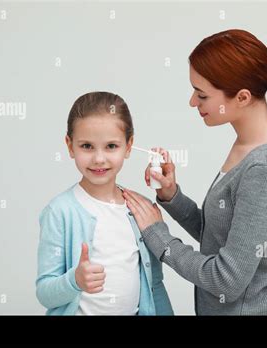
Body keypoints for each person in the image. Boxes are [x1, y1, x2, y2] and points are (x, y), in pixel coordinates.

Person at [123, 29, 267, 315]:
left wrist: (158, 237)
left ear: (241, 97)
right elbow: (220, 238)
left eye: (201, 94)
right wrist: (172, 196)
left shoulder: (266, 169)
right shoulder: (246, 146)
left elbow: (227, 279)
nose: (192, 102)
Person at [36, 91, 173, 315]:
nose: (99, 158)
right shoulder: (59, 212)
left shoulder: (141, 210)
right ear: (70, 146)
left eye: (111, 146)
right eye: (87, 146)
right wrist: (75, 281)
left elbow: (154, 284)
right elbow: (44, 292)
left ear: (129, 146)